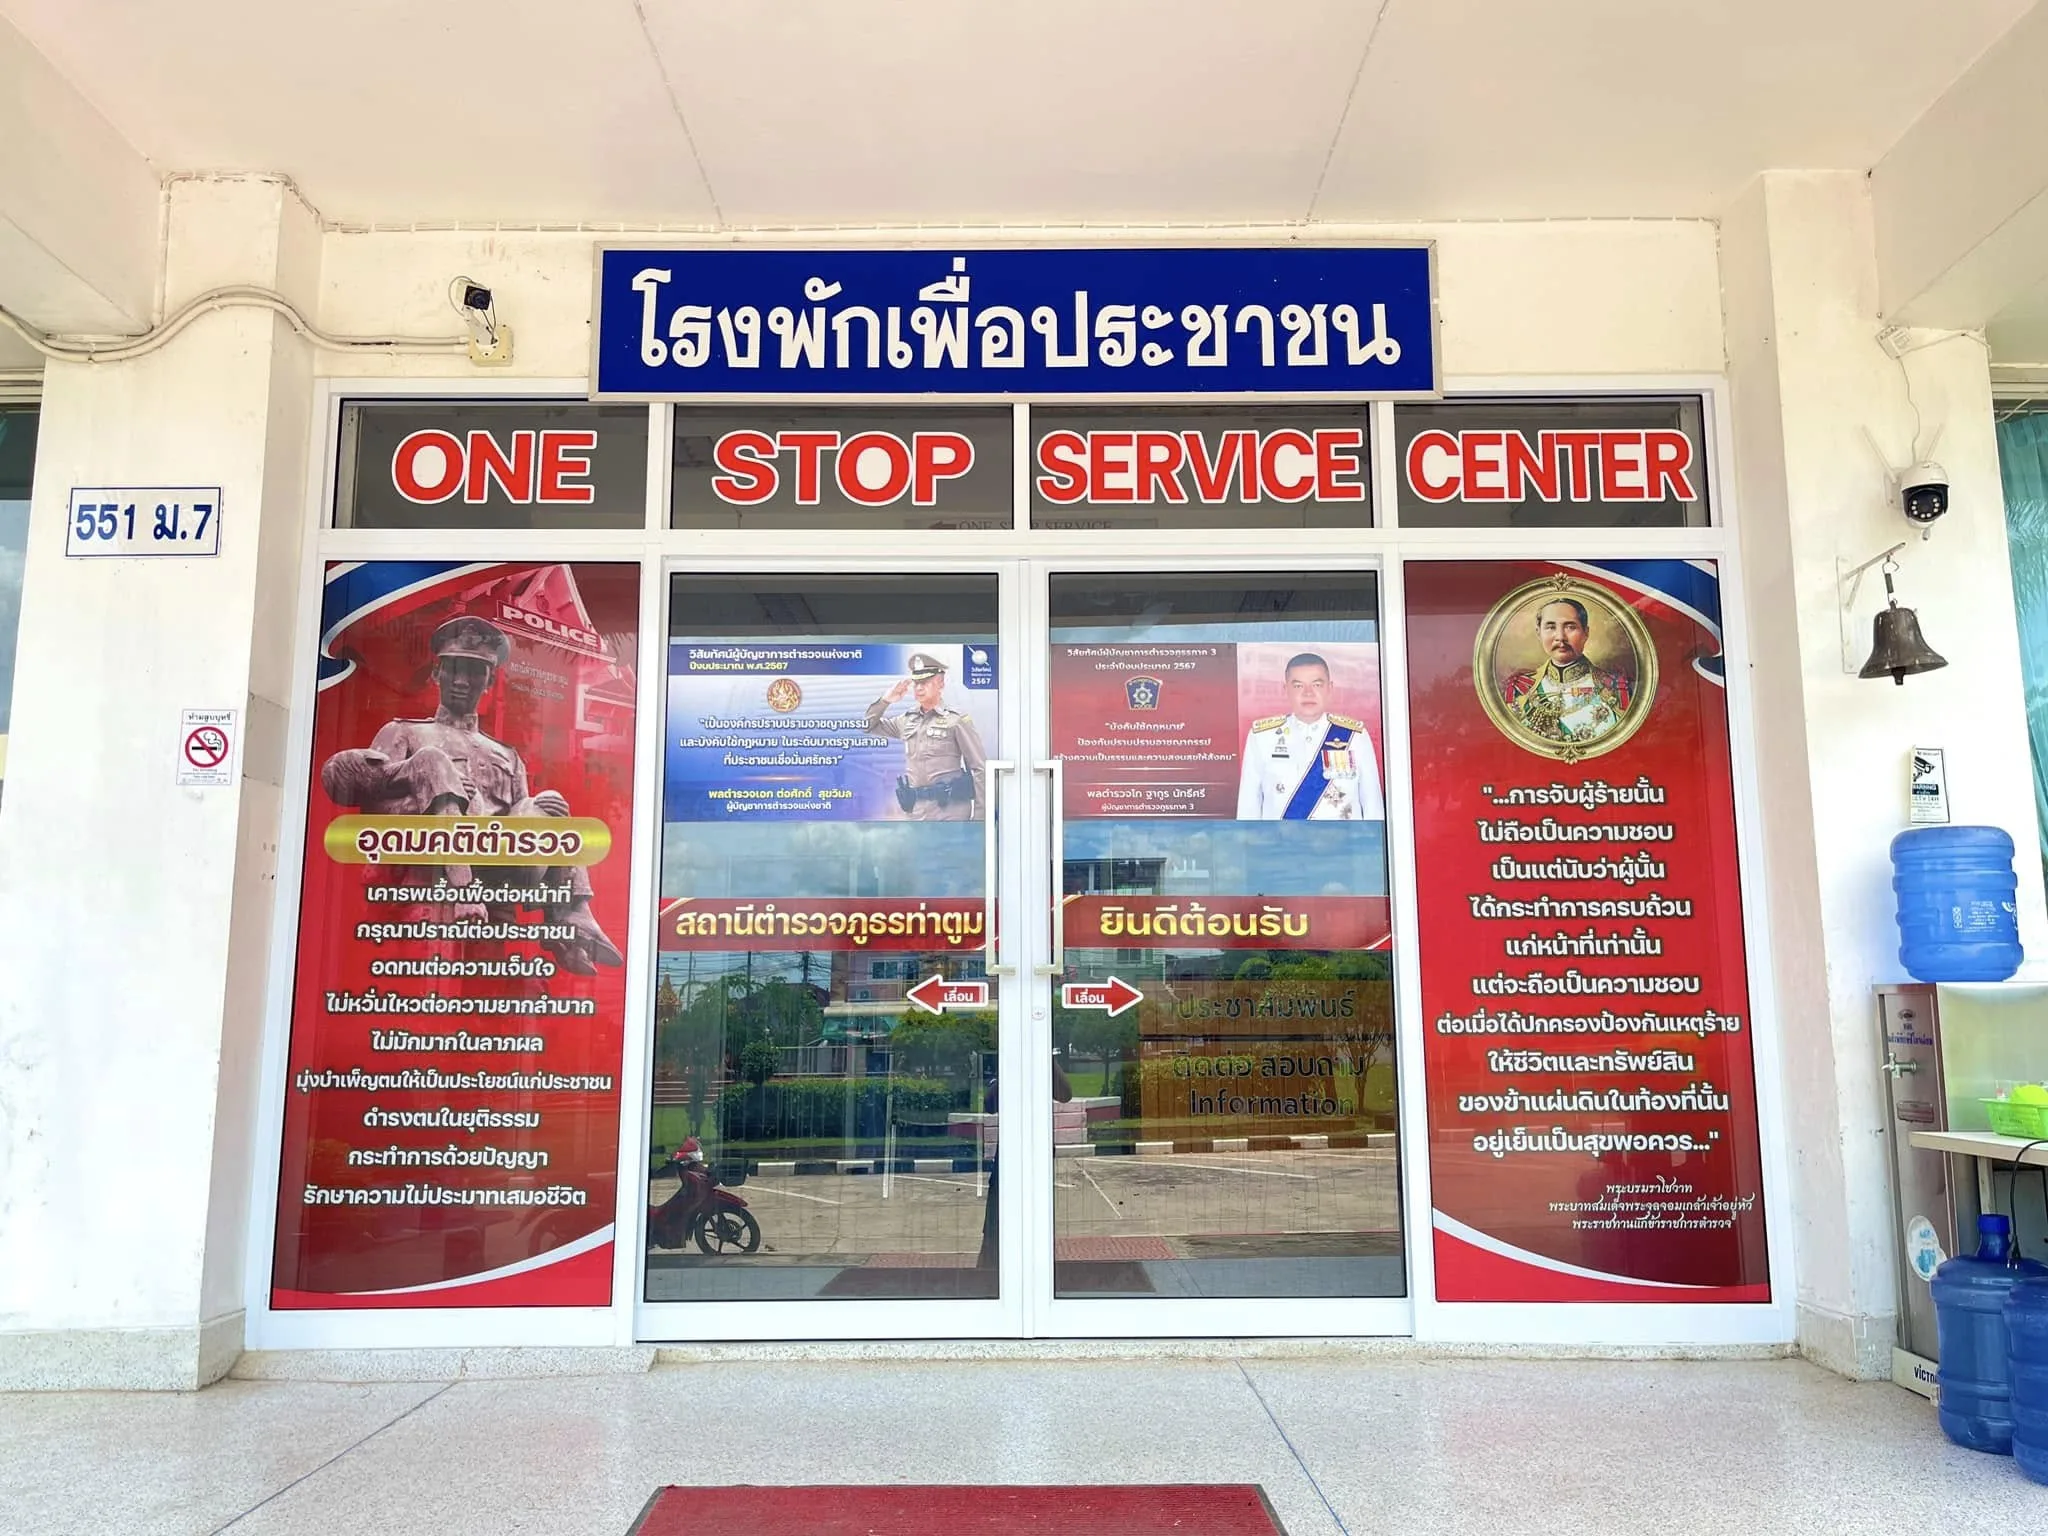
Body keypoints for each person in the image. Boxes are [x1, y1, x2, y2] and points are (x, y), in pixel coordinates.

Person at [319, 614, 623, 975]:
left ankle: (570, 918)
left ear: (490, 680)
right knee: (428, 986)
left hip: (497, 890)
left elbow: (519, 830)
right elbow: (374, 804)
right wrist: (438, 793)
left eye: (475, 671)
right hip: (429, 886)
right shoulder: (404, 733)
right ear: (437, 673)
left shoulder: (506, 755)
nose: (462, 681)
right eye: (453, 669)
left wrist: (538, 811)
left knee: (549, 806)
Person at [1235, 652, 1384, 820]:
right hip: (1281, 837)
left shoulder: (1355, 737)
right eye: (1298, 686)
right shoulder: (1262, 737)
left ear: (1330, 688)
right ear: (1286, 689)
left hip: (1343, 837)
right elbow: (1248, 808)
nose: (1308, 693)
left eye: (1317, 685)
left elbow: (1373, 807)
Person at [865, 651, 988, 820]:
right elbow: (868, 726)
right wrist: (885, 700)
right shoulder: (907, 720)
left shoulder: (956, 720)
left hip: (950, 812)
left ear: (940, 683)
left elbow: (979, 768)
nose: (919, 688)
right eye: (916, 683)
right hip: (916, 812)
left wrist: (980, 818)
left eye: (925, 682)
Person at [977, 1053, 1072, 1270]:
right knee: (996, 1218)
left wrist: (1047, 1058)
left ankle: (1037, 1271)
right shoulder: (1010, 1064)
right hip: (1008, 1156)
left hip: (1038, 1154)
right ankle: (991, 1271)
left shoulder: (1043, 1066)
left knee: (1037, 1218)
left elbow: (1065, 1094)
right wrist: (1010, 1068)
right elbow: (989, 1104)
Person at [1501, 598, 1633, 746]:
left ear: (1586, 633)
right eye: (1550, 627)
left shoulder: (1616, 689)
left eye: (1570, 627)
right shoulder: (1520, 690)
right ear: (1539, 633)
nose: (1560, 637)